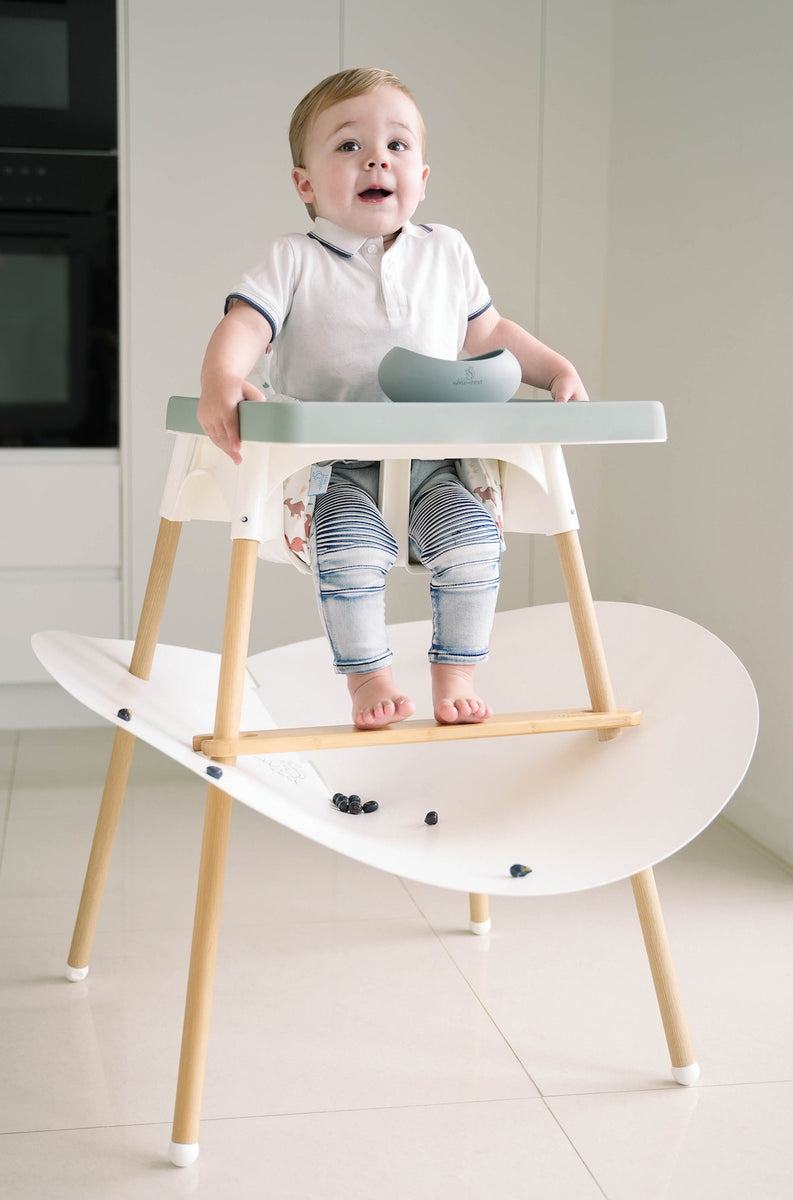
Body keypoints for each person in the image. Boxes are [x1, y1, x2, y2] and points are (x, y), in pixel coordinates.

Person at [197, 67, 589, 731]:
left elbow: (488, 332)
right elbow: (246, 323)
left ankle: (455, 671)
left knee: (473, 545)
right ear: (305, 184)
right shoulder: (293, 258)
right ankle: (366, 674)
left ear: (422, 178)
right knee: (350, 555)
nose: (377, 158)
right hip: (333, 470)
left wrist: (553, 370)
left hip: (437, 464)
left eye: (397, 146)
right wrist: (222, 376)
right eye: (348, 146)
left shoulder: (447, 251)